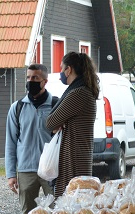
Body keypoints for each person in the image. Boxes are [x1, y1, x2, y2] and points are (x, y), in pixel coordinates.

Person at [5, 64, 56, 214]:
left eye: (35, 78)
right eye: (28, 78)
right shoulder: (17, 108)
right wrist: (11, 174)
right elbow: (10, 142)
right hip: (26, 169)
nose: (30, 81)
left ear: (45, 81)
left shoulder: (56, 105)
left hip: (51, 170)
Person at [46, 52, 99, 197]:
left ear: (69, 70)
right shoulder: (83, 90)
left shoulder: (78, 93)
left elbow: (50, 122)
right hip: (78, 155)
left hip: (73, 158)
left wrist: (60, 122)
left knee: (71, 207)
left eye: (62, 68)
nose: (60, 74)